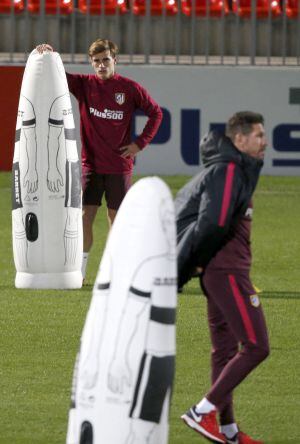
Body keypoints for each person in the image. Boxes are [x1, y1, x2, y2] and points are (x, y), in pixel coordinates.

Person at [175, 111, 270, 444]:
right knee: (257, 346)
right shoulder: (228, 170)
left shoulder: (237, 171)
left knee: (225, 353)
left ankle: (228, 430)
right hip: (227, 273)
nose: (265, 141)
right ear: (239, 139)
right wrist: (200, 263)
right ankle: (201, 412)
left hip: (223, 272)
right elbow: (212, 222)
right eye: (258, 135)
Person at [36, 40, 163, 281]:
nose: (101, 65)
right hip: (90, 166)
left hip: (118, 166)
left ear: (115, 60)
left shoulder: (129, 89)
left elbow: (156, 113)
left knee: (117, 221)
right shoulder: (84, 85)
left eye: (106, 60)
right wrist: (48, 55)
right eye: (96, 61)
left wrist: (140, 143)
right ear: (91, 63)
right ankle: (80, 272)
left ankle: (116, 273)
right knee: (84, 217)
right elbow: (57, 75)